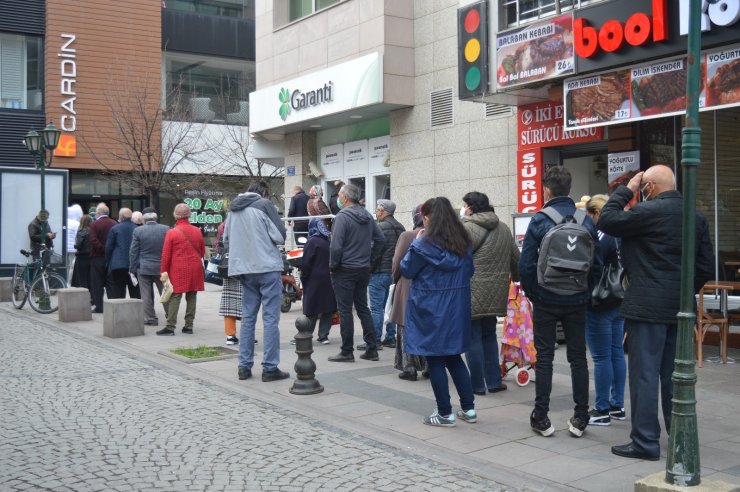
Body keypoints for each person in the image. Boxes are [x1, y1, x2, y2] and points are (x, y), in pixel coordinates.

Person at [598, 165, 713, 460]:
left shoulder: (646, 213)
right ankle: (680, 435)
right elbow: (705, 267)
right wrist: (682, 290)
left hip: (647, 306)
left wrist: (628, 187)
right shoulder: (696, 217)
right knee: (675, 375)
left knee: (645, 375)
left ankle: (645, 442)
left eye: (642, 186)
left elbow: (608, 219)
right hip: (681, 307)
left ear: (648, 187)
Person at [519, 166, 601, 438]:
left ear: (547, 189)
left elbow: (527, 264)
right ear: (568, 188)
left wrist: (535, 294)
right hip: (577, 298)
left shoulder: (540, 219)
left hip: (546, 297)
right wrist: (585, 292)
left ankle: (541, 416)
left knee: (545, 358)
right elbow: (597, 263)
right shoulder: (585, 220)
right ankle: (580, 416)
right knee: (578, 357)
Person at [401, 197, 475, 427]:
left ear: (428, 218)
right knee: (454, 357)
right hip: (456, 307)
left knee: (435, 359)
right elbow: (470, 271)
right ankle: (469, 409)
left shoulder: (423, 244)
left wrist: (416, 242)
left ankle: (445, 412)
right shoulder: (463, 242)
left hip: (430, 307)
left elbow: (406, 269)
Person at [227, 181, 290, 382]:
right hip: (267, 266)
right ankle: (270, 367)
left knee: (248, 318)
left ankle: (244, 366)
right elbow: (280, 236)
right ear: (263, 193)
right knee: (271, 318)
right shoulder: (264, 205)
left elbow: (226, 240)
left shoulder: (233, 209)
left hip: (244, 269)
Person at [461, 191, 519, 396]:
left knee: (473, 337)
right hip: (496, 290)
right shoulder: (503, 228)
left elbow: (457, 258)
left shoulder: (467, 228)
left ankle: (476, 385)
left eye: (465, 205)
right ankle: (494, 381)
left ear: (471, 207)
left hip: (471, 289)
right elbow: (516, 260)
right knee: (488, 335)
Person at [327, 183, 384, 363]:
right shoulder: (367, 215)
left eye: (340, 195)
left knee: (345, 311)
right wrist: (371, 260)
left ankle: (347, 351)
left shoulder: (342, 217)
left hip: (345, 269)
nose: (339, 198)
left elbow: (336, 246)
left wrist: (333, 265)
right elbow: (380, 240)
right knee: (363, 308)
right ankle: (372, 348)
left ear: (344, 197)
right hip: (362, 269)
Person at [583, 194, 627, 427]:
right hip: (619, 298)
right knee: (616, 352)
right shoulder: (621, 233)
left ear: (596, 213)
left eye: (589, 216)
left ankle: (601, 410)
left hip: (600, 300)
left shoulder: (602, 234)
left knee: (601, 357)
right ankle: (617, 405)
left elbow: (591, 264)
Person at [390, 204, 428, 381]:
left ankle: (409, 366)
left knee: (405, 326)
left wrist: (395, 278)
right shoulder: (436, 236)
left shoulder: (407, 236)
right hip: (429, 288)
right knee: (426, 327)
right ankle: (428, 365)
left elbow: (397, 263)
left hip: (407, 285)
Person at [157, 203, 205, 336]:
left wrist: (163, 273)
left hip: (178, 269)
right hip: (195, 268)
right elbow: (201, 252)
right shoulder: (197, 231)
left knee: (175, 295)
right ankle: (189, 326)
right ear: (189, 215)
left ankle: (170, 326)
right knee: (192, 295)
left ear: (175, 216)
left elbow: (166, 255)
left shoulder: (172, 233)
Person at [368, 199, 405, 349]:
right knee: (390, 306)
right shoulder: (401, 227)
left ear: (382, 211)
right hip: (395, 273)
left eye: (377, 210)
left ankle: (375, 340)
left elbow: (374, 251)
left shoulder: (379, 227)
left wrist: (369, 267)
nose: (376, 213)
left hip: (379, 272)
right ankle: (390, 337)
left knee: (377, 308)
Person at [129, 207, 170, 327]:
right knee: (165, 292)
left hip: (144, 267)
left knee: (146, 294)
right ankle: (170, 316)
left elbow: (133, 252)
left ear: (143, 218)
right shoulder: (166, 229)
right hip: (161, 267)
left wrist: (132, 269)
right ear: (156, 217)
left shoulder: (138, 231)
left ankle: (151, 318)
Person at [300, 218, 337, 344]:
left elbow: (306, 262)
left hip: (314, 279)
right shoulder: (328, 240)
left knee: (312, 308)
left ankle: (306, 334)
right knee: (327, 308)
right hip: (328, 278)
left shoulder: (312, 242)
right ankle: (323, 336)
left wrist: (303, 276)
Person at [216, 217, 242, 346]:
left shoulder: (224, 224)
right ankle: (248, 334)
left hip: (228, 267)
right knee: (248, 303)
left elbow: (219, 244)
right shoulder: (246, 222)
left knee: (229, 303)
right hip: (244, 267)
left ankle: (230, 336)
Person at [88, 203, 117, 313]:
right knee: (111, 283)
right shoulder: (114, 223)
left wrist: (102, 248)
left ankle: (99, 306)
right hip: (111, 258)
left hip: (97, 257)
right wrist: (108, 250)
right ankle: (112, 305)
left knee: (97, 283)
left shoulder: (94, 224)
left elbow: (93, 240)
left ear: (98, 213)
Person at [105, 208, 140, 299]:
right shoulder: (137, 229)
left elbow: (108, 248)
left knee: (118, 291)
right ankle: (136, 311)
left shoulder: (115, 229)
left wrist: (109, 262)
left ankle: (119, 312)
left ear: (121, 217)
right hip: (134, 265)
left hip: (118, 265)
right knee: (135, 291)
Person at [71, 214, 92, 290]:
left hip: (82, 257)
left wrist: (75, 245)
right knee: (89, 278)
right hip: (91, 257)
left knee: (81, 279)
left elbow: (78, 245)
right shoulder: (92, 231)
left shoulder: (81, 231)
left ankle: (84, 296)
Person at [67, 204, 83, 278]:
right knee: (72, 266)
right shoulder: (76, 224)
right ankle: (69, 281)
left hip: (64, 248)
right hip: (73, 249)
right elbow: (77, 237)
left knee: (66, 265)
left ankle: (64, 279)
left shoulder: (64, 222)